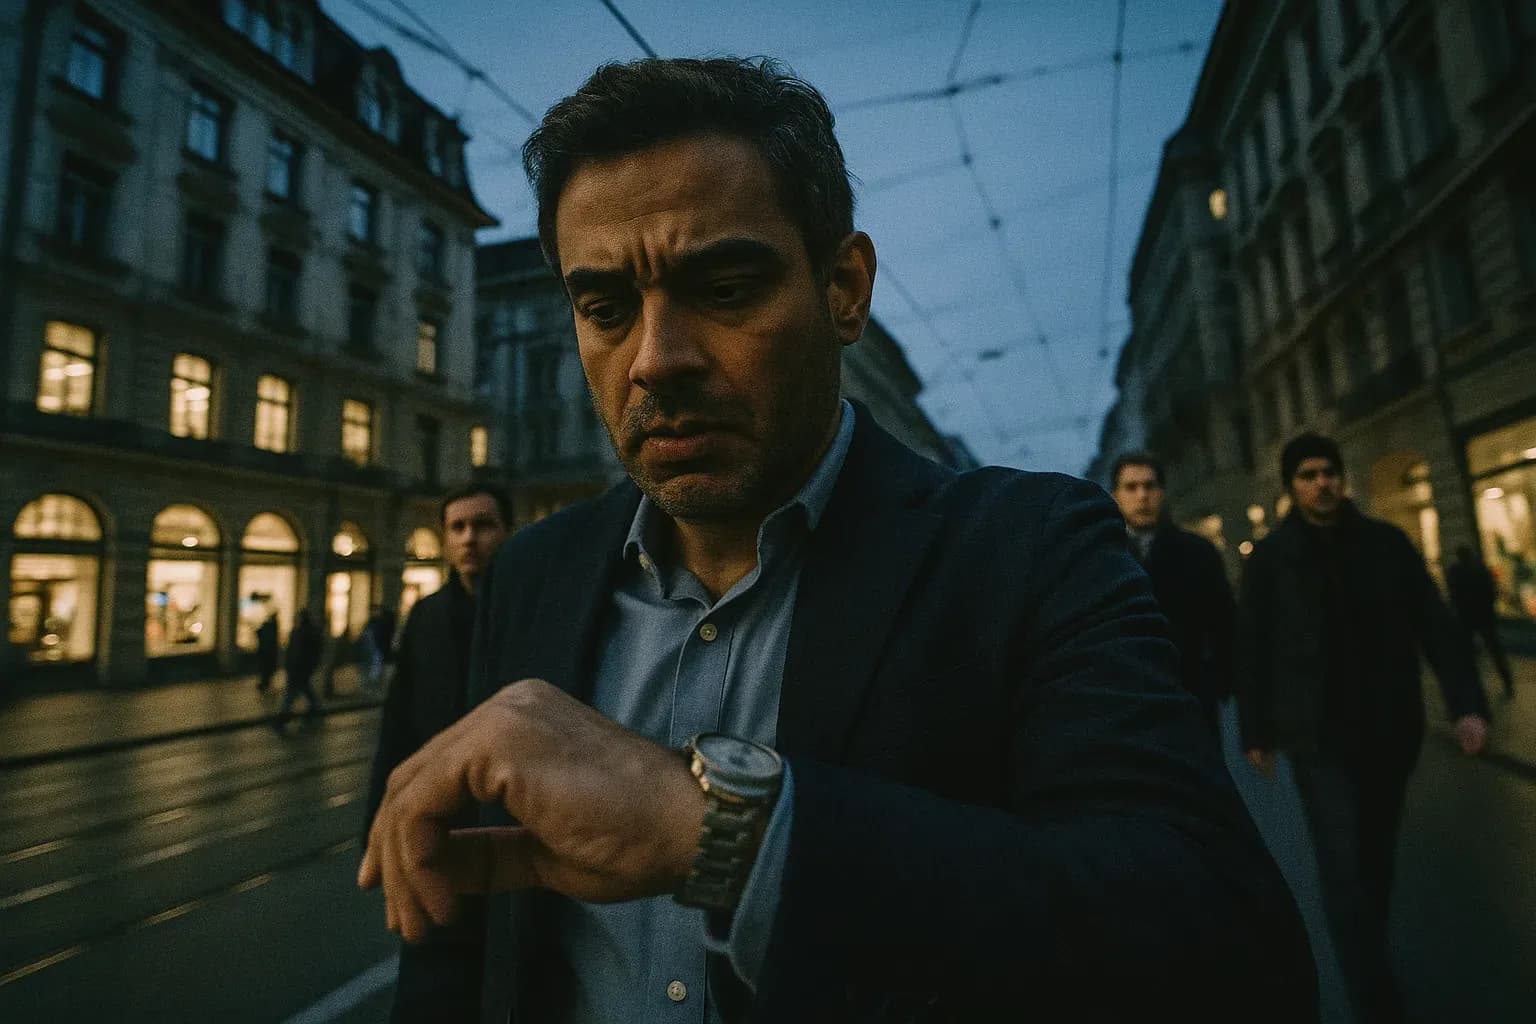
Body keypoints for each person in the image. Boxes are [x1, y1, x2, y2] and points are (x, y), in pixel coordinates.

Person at [361, 57, 1315, 1022]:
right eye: (604, 308)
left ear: (845, 288)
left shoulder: (1028, 549)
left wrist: (723, 832)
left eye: (725, 287)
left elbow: (1224, 944)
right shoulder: (535, 573)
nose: (656, 360)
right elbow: (456, 934)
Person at [1235, 432, 1490, 1024]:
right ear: (1292, 486)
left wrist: (1466, 704)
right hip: (1314, 736)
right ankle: (1374, 998)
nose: (1321, 483)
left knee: (1374, 858)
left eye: (1329, 472)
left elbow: (1436, 626)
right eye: (1308, 475)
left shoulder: (1386, 544)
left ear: (1342, 478)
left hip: (1388, 729)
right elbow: (1252, 645)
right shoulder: (1272, 558)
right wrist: (1256, 728)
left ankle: (1367, 954)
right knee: (1344, 864)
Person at [364, 485, 511, 1023]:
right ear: (447, 540)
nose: (470, 538)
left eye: (484, 524)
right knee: (431, 977)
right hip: (436, 824)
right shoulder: (426, 616)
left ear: (506, 532)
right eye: (458, 527)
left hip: (509, 825)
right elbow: (397, 723)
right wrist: (378, 822)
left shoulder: (528, 607)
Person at [1110, 452, 1235, 735]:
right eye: (1131, 487)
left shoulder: (1197, 551)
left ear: (1162, 492)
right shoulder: (1103, 558)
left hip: (1189, 691)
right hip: (1126, 698)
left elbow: (1224, 622)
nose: (1142, 496)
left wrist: (1220, 678)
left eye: (1150, 486)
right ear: (1115, 495)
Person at [1446, 544, 1515, 697]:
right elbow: (1492, 590)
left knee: (1468, 655)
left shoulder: (1455, 571)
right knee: (1495, 650)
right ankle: (1507, 682)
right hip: (1484, 616)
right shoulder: (1481, 569)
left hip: (1466, 617)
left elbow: (1453, 594)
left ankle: (1473, 690)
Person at [276, 607, 323, 729]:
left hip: (299, 668)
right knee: (304, 689)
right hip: (299, 668)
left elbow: (298, 652)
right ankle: (315, 708)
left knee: (291, 693)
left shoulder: (304, 633)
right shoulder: (303, 632)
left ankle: (283, 716)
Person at [362, 605, 398, 692]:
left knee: (376, 666)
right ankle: (374, 683)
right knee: (376, 666)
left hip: (377, 647)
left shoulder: (376, 623)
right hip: (378, 647)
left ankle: (373, 683)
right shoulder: (378, 623)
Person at [254, 605, 280, 693]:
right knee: (267, 670)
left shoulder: (270, 626)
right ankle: (264, 684)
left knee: (266, 671)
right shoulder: (273, 626)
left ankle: (264, 684)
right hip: (268, 653)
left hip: (266, 653)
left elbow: (259, 633)